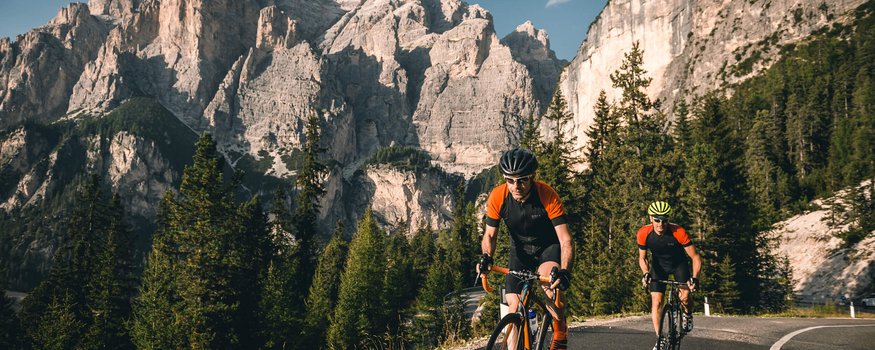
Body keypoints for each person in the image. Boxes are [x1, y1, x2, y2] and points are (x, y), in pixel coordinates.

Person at [477, 148, 574, 350]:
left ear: (533, 177)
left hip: (547, 247)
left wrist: (564, 272)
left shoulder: (546, 194)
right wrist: (486, 257)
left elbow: (565, 240)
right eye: (510, 180)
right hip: (520, 251)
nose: (516, 186)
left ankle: (560, 331)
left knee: (549, 288)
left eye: (522, 180)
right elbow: (490, 235)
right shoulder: (498, 196)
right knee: (514, 306)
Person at [637, 201, 702, 350]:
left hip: (679, 264)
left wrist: (695, 278)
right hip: (659, 267)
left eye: (664, 220)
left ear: (668, 219)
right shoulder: (643, 233)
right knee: (657, 302)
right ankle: (659, 338)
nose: (661, 224)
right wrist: (646, 273)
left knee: (685, 296)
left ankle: (687, 314)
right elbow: (643, 257)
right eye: (657, 220)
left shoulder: (678, 232)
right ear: (650, 218)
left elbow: (696, 257)